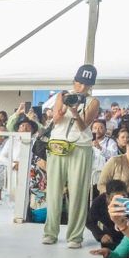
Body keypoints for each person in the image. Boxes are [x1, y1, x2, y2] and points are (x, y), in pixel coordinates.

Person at [41, 64, 101, 248]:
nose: (82, 87)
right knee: (53, 191)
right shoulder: (62, 94)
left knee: (78, 192)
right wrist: (61, 110)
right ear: (74, 81)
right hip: (58, 144)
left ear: (91, 85)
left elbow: (84, 126)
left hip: (80, 146)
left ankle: (75, 236)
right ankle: (50, 232)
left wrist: (74, 110)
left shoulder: (94, 101)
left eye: (86, 84)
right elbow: (56, 120)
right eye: (80, 82)